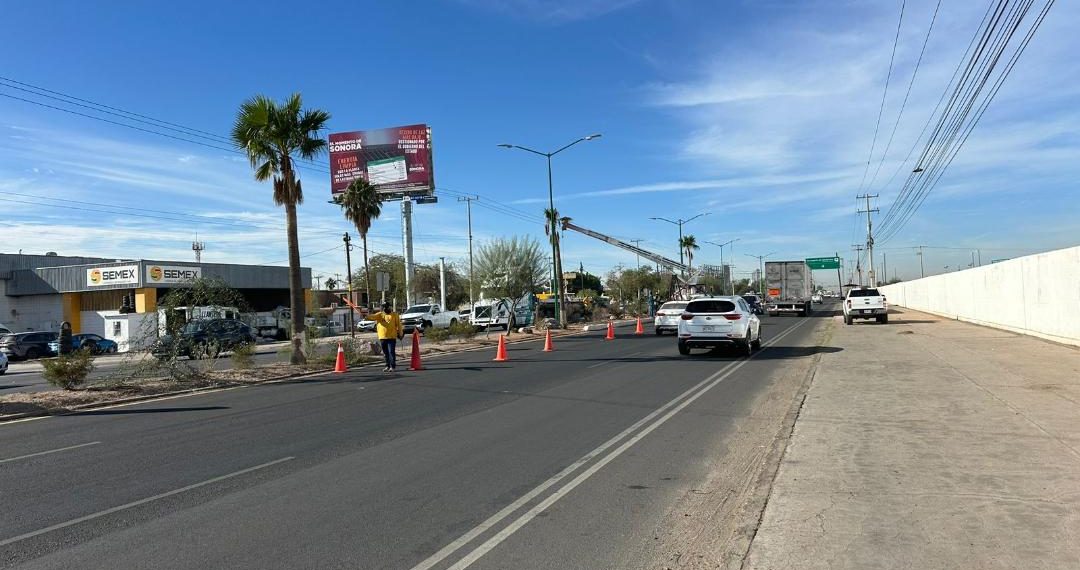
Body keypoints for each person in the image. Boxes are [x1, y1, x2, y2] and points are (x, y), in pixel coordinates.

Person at [369, 302, 403, 372]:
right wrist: (366, 316)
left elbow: (399, 325)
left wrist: (400, 334)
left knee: (391, 352)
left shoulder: (394, 315)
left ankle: (392, 366)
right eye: (383, 307)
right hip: (382, 337)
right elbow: (372, 317)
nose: (384, 308)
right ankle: (387, 366)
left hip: (391, 337)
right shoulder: (380, 315)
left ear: (389, 307)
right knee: (385, 353)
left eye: (386, 307)